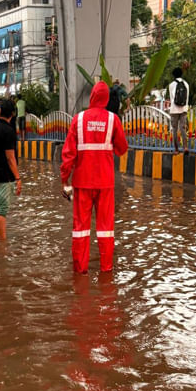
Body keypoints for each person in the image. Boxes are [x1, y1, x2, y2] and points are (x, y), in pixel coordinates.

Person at [61, 81, 129, 273]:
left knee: (81, 228)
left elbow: (68, 155)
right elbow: (122, 148)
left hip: (82, 183)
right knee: (106, 229)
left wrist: (64, 180)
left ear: (91, 96)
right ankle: (106, 270)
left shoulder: (79, 119)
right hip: (105, 183)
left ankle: (80, 271)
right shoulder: (112, 119)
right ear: (106, 99)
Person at [0, 100, 21, 241]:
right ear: (12, 114)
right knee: (2, 210)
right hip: (5, 176)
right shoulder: (8, 131)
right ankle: (3, 242)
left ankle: (4, 236)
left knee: (2, 207)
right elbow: (10, 158)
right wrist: (18, 178)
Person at [167, 67, 190, 153]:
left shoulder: (171, 85)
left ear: (173, 75)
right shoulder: (186, 84)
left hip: (174, 110)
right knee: (183, 128)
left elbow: (172, 97)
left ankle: (176, 149)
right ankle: (185, 147)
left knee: (174, 129)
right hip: (184, 109)